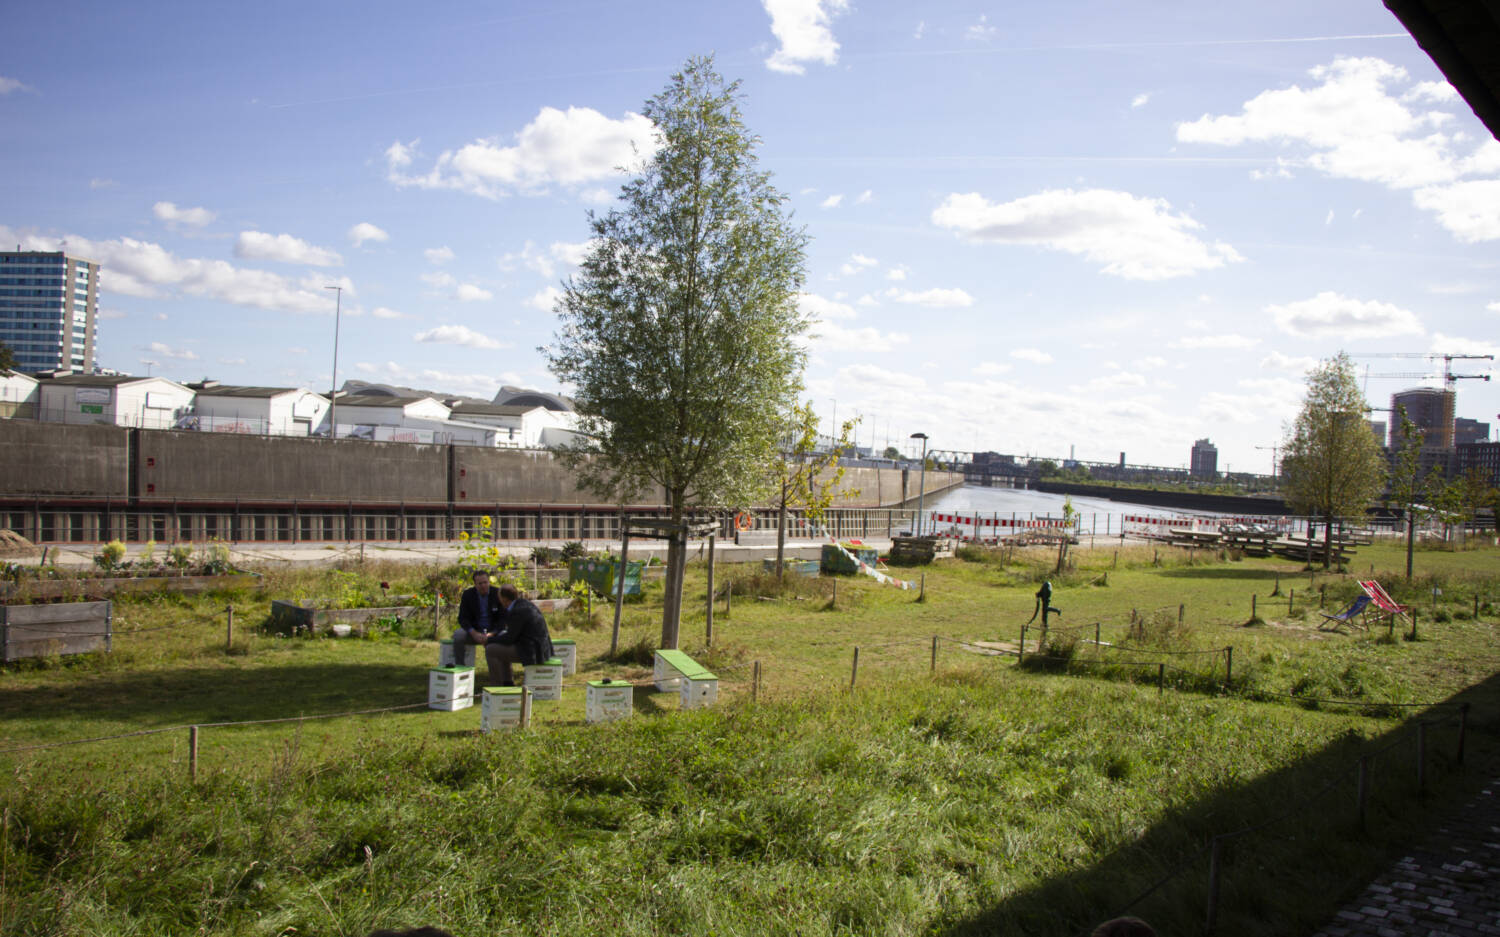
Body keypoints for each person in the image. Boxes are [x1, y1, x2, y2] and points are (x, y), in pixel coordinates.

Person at [484, 583, 555, 686]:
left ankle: (496, 686)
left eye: (499, 597)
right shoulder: (523, 603)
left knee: (491, 650)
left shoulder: (518, 611)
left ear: (504, 599)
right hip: (539, 646)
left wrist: (488, 640)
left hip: (534, 652)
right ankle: (507, 681)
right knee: (500, 644)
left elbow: (509, 639)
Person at [451, 570, 503, 673]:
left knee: (505, 636)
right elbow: (462, 618)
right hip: (474, 631)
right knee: (458, 635)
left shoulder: (497, 593)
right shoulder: (468, 595)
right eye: (480, 583)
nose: (483, 586)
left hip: (493, 631)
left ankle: (500, 673)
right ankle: (460, 670)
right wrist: (473, 633)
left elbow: (503, 618)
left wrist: (491, 634)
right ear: (475, 584)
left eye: (485, 582)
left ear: (489, 582)